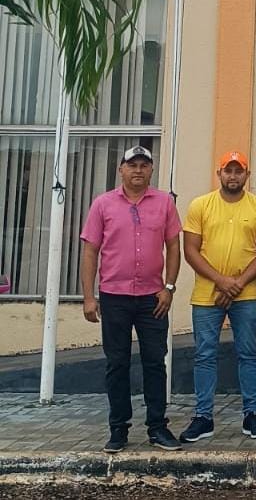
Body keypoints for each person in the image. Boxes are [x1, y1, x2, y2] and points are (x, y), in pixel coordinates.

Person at [79, 145, 182, 453]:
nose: (138, 170)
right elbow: (90, 251)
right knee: (117, 363)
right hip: (114, 297)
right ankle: (118, 429)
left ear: (151, 170)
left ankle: (157, 427)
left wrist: (169, 287)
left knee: (155, 362)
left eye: (144, 165)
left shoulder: (164, 203)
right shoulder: (103, 204)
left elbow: (174, 247)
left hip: (153, 298)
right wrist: (88, 297)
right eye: (132, 165)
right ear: (121, 170)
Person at [178, 151, 256, 443]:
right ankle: (203, 417)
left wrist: (237, 284)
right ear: (219, 173)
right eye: (228, 171)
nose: (233, 176)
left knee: (249, 353)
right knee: (205, 355)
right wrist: (221, 281)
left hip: (246, 294)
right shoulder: (200, 205)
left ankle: (252, 414)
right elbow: (190, 250)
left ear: (247, 175)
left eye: (238, 171)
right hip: (207, 294)